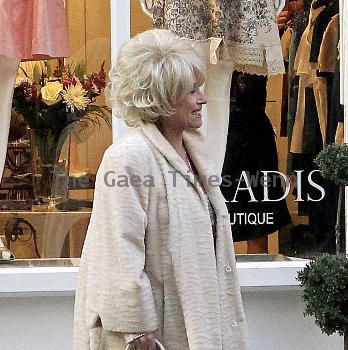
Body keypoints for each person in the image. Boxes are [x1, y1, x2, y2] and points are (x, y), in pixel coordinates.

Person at [73, 29, 249, 350]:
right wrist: (136, 329)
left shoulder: (196, 152)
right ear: (164, 96)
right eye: (192, 91)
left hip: (194, 326)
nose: (203, 99)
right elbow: (116, 248)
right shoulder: (129, 157)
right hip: (152, 337)